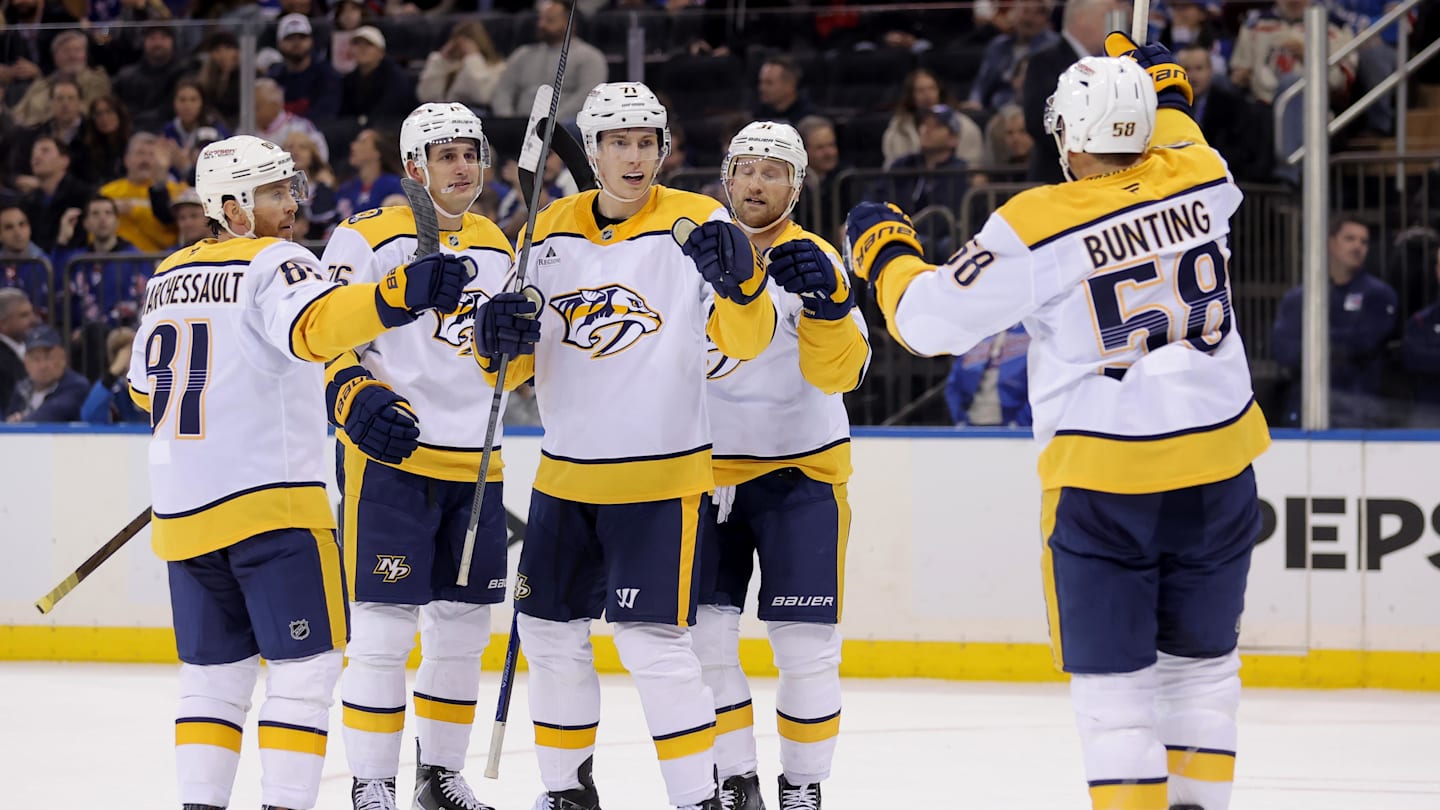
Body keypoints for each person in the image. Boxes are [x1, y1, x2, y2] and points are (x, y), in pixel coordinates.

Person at [844, 36, 1270, 810]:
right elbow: (1175, 128)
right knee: (1204, 673)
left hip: (1106, 485)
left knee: (1116, 693)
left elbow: (930, 321)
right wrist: (1162, 83)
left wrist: (885, 251)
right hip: (1221, 468)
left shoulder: (1038, 223)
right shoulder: (1205, 177)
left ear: (1068, 136)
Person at [124, 133, 472, 810]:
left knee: (211, 680)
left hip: (184, 513)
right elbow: (315, 327)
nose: (291, 204)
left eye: (291, 188)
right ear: (231, 205)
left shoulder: (167, 275)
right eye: (274, 192)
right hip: (273, 510)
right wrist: (396, 294)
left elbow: (145, 392)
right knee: (305, 672)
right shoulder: (276, 261)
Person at [470, 82, 777, 810]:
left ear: (664, 149)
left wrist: (742, 287)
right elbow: (514, 369)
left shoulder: (699, 222)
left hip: (661, 482)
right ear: (595, 148)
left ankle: (696, 798)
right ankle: (566, 793)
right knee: (548, 636)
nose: (633, 157)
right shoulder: (546, 230)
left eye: (646, 143)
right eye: (617, 142)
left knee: (653, 648)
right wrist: (494, 341)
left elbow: (749, 341)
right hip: (565, 480)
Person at [321, 102, 513, 810]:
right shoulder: (365, 237)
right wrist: (348, 391)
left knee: (461, 634)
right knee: (381, 631)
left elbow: (503, 366)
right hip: (392, 461)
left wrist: (513, 346)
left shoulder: (498, 244)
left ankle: (440, 777)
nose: (463, 166)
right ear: (412, 168)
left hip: (478, 463)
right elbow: (322, 332)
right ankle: (372, 782)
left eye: (471, 152)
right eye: (446, 154)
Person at [691, 121, 870, 810]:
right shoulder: (697, 251)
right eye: (746, 169)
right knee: (706, 642)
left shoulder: (816, 258)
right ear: (726, 179)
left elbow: (844, 374)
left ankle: (803, 785)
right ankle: (736, 780)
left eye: (773, 171)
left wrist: (833, 304)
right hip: (705, 479)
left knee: (805, 648)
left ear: (796, 185)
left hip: (803, 478)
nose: (757, 183)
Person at [1272, 213, 1398, 428]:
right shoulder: (1299, 298)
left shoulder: (1379, 295)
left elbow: (1362, 344)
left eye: (1364, 242)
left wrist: (1312, 338)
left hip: (1360, 411)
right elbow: (1284, 350)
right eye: (1350, 239)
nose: (1358, 246)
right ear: (1330, 242)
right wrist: (1335, 340)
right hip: (1303, 409)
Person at [4, 324, 87, 422]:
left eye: (49, 357)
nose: (43, 366)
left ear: (63, 358)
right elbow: (7, 420)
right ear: (26, 363)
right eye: (36, 359)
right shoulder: (22, 389)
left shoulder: (76, 386)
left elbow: (53, 413)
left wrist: (22, 422)